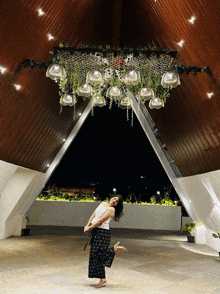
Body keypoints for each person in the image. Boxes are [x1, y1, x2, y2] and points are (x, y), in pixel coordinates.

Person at [84, 195, 127, 288]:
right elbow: (93, 215)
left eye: (117, 201)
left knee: (99, 255)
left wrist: (89, 228)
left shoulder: (112, 210)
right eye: (114, 198)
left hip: (103, 233)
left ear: (117, 204)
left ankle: (103, 278)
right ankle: (114, 250)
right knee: (95, 255)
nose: (114, 200)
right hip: (95, 231)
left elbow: (100, 221)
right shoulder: (103, 203)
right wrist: (87, 226)